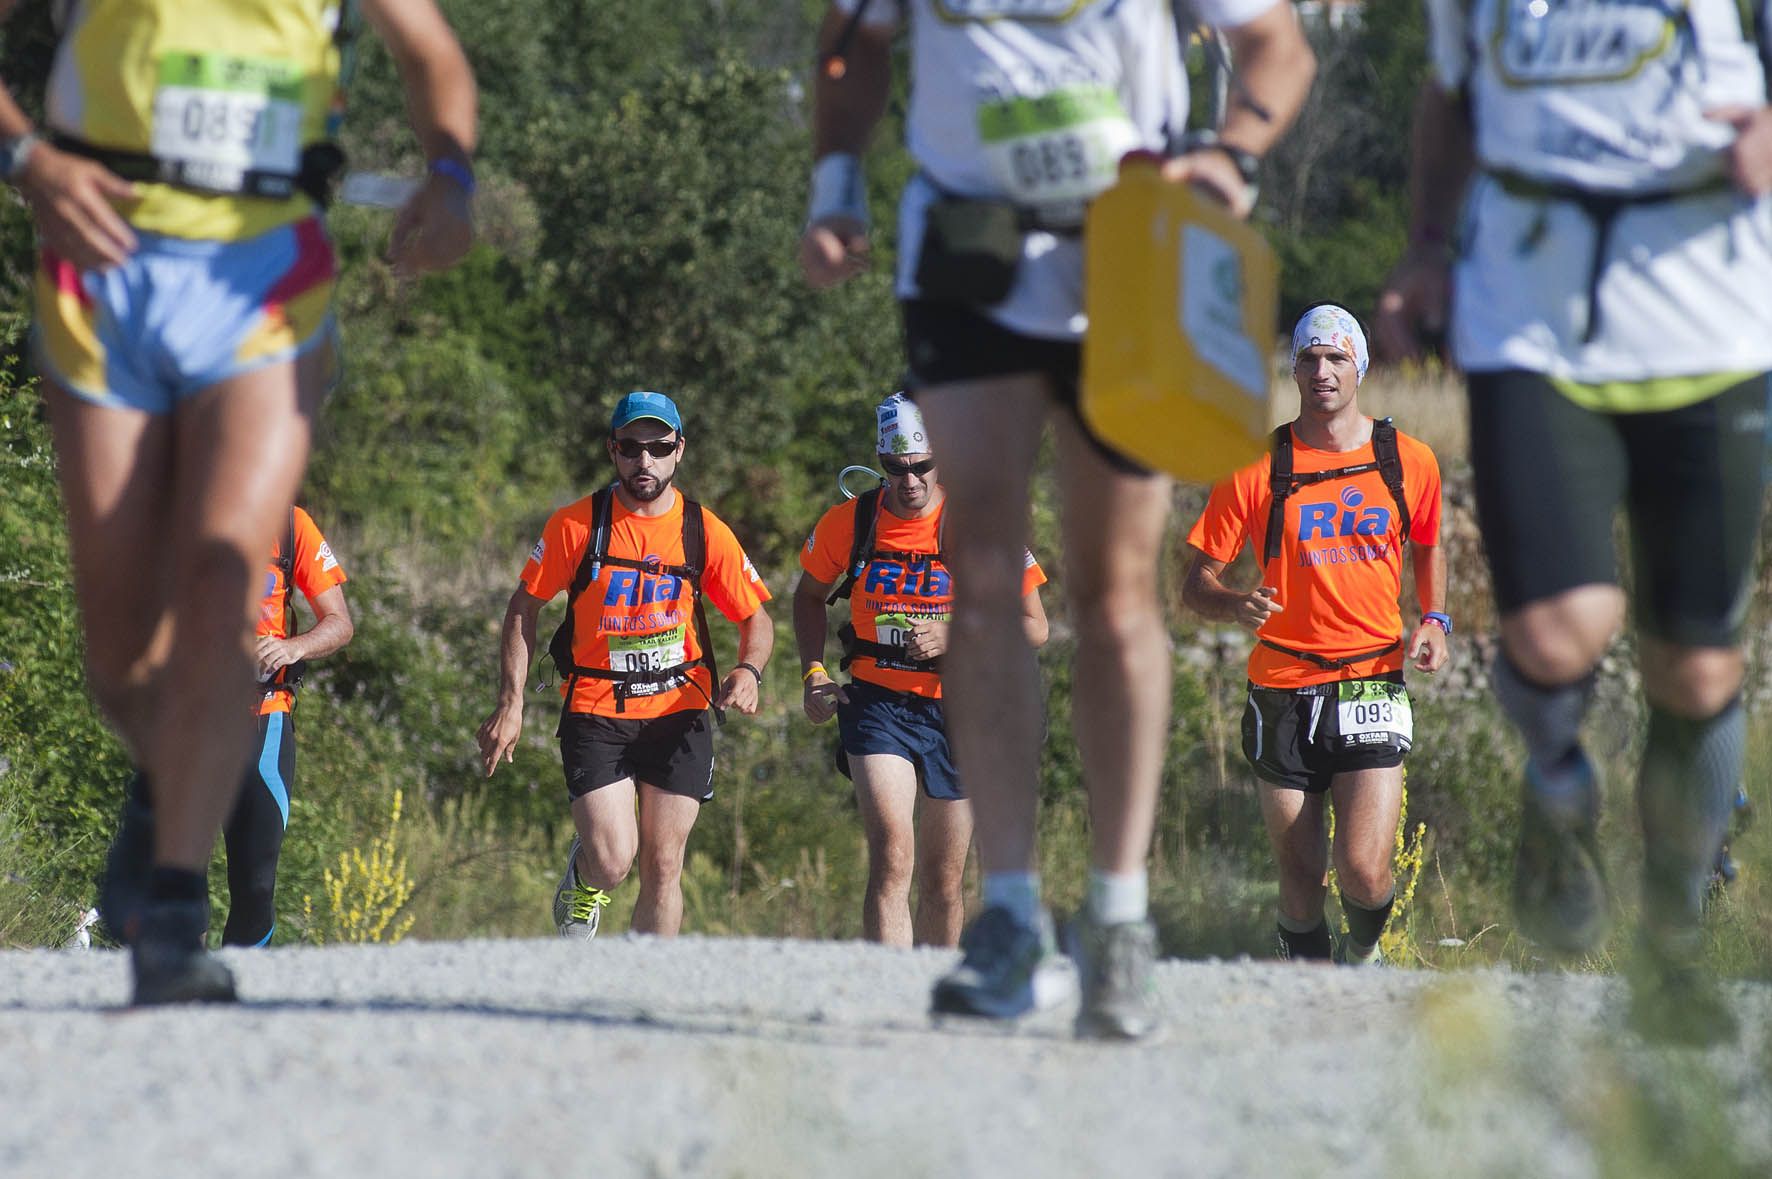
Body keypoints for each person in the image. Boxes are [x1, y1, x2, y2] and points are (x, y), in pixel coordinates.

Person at [800, 0, 1315, 1039]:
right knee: (978, 574)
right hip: (965, 247)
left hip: (1126, 244)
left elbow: (1276, 44)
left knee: (1114, 591)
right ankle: (1008, 917)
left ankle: (1118, 920)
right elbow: (851, 38)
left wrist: (1233, 156)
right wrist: (836, 180)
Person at [4, 0, 476, 1004]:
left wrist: (450, 176)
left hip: (267, 278)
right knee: (123, 655)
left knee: (226, 576)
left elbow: (431, 53)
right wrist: (27, 159)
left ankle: (171, 911)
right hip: (104, 273)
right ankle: (157, 796)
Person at [1375, 0, 1772, 1043]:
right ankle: (1556, 790)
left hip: (1709, 314)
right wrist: (1423, 245)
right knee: (1554, 629)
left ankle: (1671, 945)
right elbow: (1451, 96)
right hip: (1529, 311)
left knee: (1694, 668)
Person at [1181, 306, 1448, 966]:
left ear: (1360, 365)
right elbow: (1194, 584)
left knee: (1362, 869)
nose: (1322, 371)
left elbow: (1428, 543)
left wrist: (1435, 620)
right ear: (1293, 369)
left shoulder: (1407, 459)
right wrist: (1233, 603)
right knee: (1301, 884)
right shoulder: (1255, 465)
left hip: (1370, 678)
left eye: (1335, 358)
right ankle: (1307, 1005)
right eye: (1309, 359)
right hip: (1283, 688)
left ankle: (1365, 952)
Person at [477, 392, 774, 940]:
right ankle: (585, 876)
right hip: (597, 709)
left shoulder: (702, 530)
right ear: (613, 451)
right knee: (614, 860)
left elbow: (755, 619)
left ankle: (643, 994)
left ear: (679, 451)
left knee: (664, 865)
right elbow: (524, 607)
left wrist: (749, 671)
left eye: (659, 448)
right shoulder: (576, 525)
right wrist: (511, 703)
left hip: (679, 710)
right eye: (632, 448)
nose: (645, 462)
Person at [795, 393, 1050, 948]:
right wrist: (814, 672)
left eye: (921, 467)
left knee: (943, 882)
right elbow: (809, 596)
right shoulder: (852, 522)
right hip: (877, 705)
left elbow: (1036, 626)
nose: (908, 482)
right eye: (894, 469)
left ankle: (933, 998)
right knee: (892, 857)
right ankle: (886, 991)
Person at [225, 505, 354, 947]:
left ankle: (236, 994)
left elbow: (339, 623)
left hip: (265, 717)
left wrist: (291, 648)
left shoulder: (290, 525)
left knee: (256, 884)